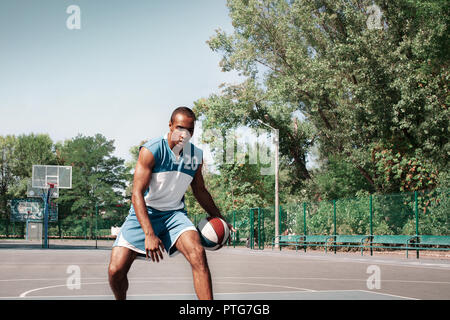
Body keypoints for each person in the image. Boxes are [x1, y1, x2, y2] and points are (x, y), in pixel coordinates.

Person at [108, 106, 234, 300]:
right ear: (170, 126)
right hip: (144, 212)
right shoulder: (152, 150)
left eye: (190, 130)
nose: (185, 134)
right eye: (180, 128)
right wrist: (149, 233)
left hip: (174, 215)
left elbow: (200, 191)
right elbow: (136, 194)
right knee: (115, 270)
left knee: (198, 254)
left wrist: (220, 218)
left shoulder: (195, 156)